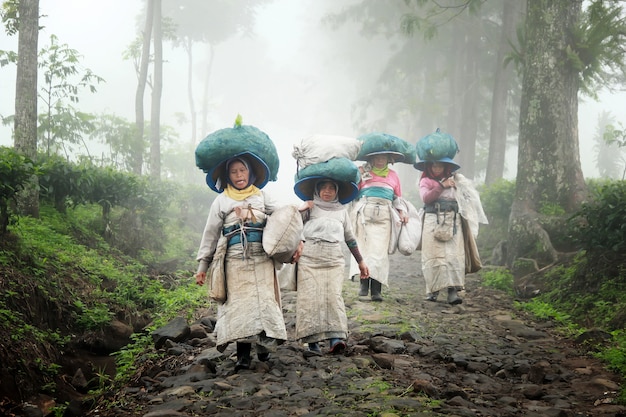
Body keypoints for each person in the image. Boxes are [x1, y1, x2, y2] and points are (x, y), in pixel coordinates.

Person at [195, 155, 292, 371]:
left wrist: (297, 241)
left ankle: (264, 347)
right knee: (240, 307)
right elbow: (210, 234)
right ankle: (243, 356)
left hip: (262, 258)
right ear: (227, 176)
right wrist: (203, 267)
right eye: (234, 172)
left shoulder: (261, 196)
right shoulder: (221, 201)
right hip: (234, 260)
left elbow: (284, 218)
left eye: (242, 170)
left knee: (263, 302)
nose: (239, 175)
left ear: (251, 172)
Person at [296, 179, 369, 354]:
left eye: (331, 188)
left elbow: (350, 238)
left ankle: (335, 339)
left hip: (334, 259)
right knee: (309, 299)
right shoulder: (310, 207)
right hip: (309, 258)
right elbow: (294, 227)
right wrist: (300, 211)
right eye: (323, 187)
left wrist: (360, 262)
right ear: (316, 189)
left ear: (337, 191)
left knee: (333, 297)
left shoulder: (342, 211)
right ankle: (312, 344)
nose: (327, 191)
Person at [349, 152, 408, 301]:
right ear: (371, 158)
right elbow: (352, 192)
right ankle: (364, 284)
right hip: (364, 215)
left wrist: (402, 212)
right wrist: (357, 174)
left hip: (384, 217)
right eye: (377, 157)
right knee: (364, 249)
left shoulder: (393, 176)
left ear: (389, 159)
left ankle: (376, 289)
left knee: (379, 253)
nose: (380, 160)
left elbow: (397, 198)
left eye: (383, 157)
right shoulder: (363, 173)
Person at [417, 158, 467, 304]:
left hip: (452, 220)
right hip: (433, 220)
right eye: (434, 165)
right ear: (429, 166)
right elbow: (426, 198)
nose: (437, 169)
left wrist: (458, 188)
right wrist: (441, 186)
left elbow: (466, 199)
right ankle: (433, 289)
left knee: (453, 256)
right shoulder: (425, 181)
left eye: (440, 166)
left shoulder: (455, 180)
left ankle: (453, 291)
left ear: (446, 167)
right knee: (433, 255)